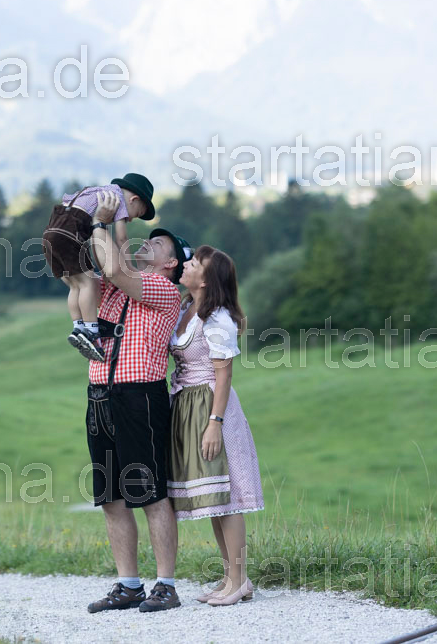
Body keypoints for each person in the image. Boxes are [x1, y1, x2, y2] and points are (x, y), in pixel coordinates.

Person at [83, 190, 193, 614]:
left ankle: (166, 585)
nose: (149, 242)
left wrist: (102, 221)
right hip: (100, 395)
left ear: (171, 263)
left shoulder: (164, 290)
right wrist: (103, 226)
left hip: (139, 396)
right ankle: (129, 584)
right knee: (110, 497)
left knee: (149, 493)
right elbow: (97, 270)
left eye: (158, 243)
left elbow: (115, 267)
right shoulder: (118, 285)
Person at [167, 245, 264, 606]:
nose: (186, 265)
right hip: (188, 405)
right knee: (213, 499)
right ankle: (232, 578)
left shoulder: (217, 318)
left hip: (211, 406)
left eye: (194, 264)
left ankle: (237, 581)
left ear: (206, 279)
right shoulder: (186, 308)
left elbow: (224, 376)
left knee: (228, 497)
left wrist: (214, 423)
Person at [41, 173, 156, 362]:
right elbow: (121, 238)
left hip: (51, 233)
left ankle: (78, 327)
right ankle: (92, 332)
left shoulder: (99, 193)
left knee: (75, 285)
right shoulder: (117, 199)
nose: (131, 220)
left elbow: (99, 241)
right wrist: (129, 268)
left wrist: (103, 268)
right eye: (136, 214)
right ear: (134, 199)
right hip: (70, 232)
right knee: (88, 284)